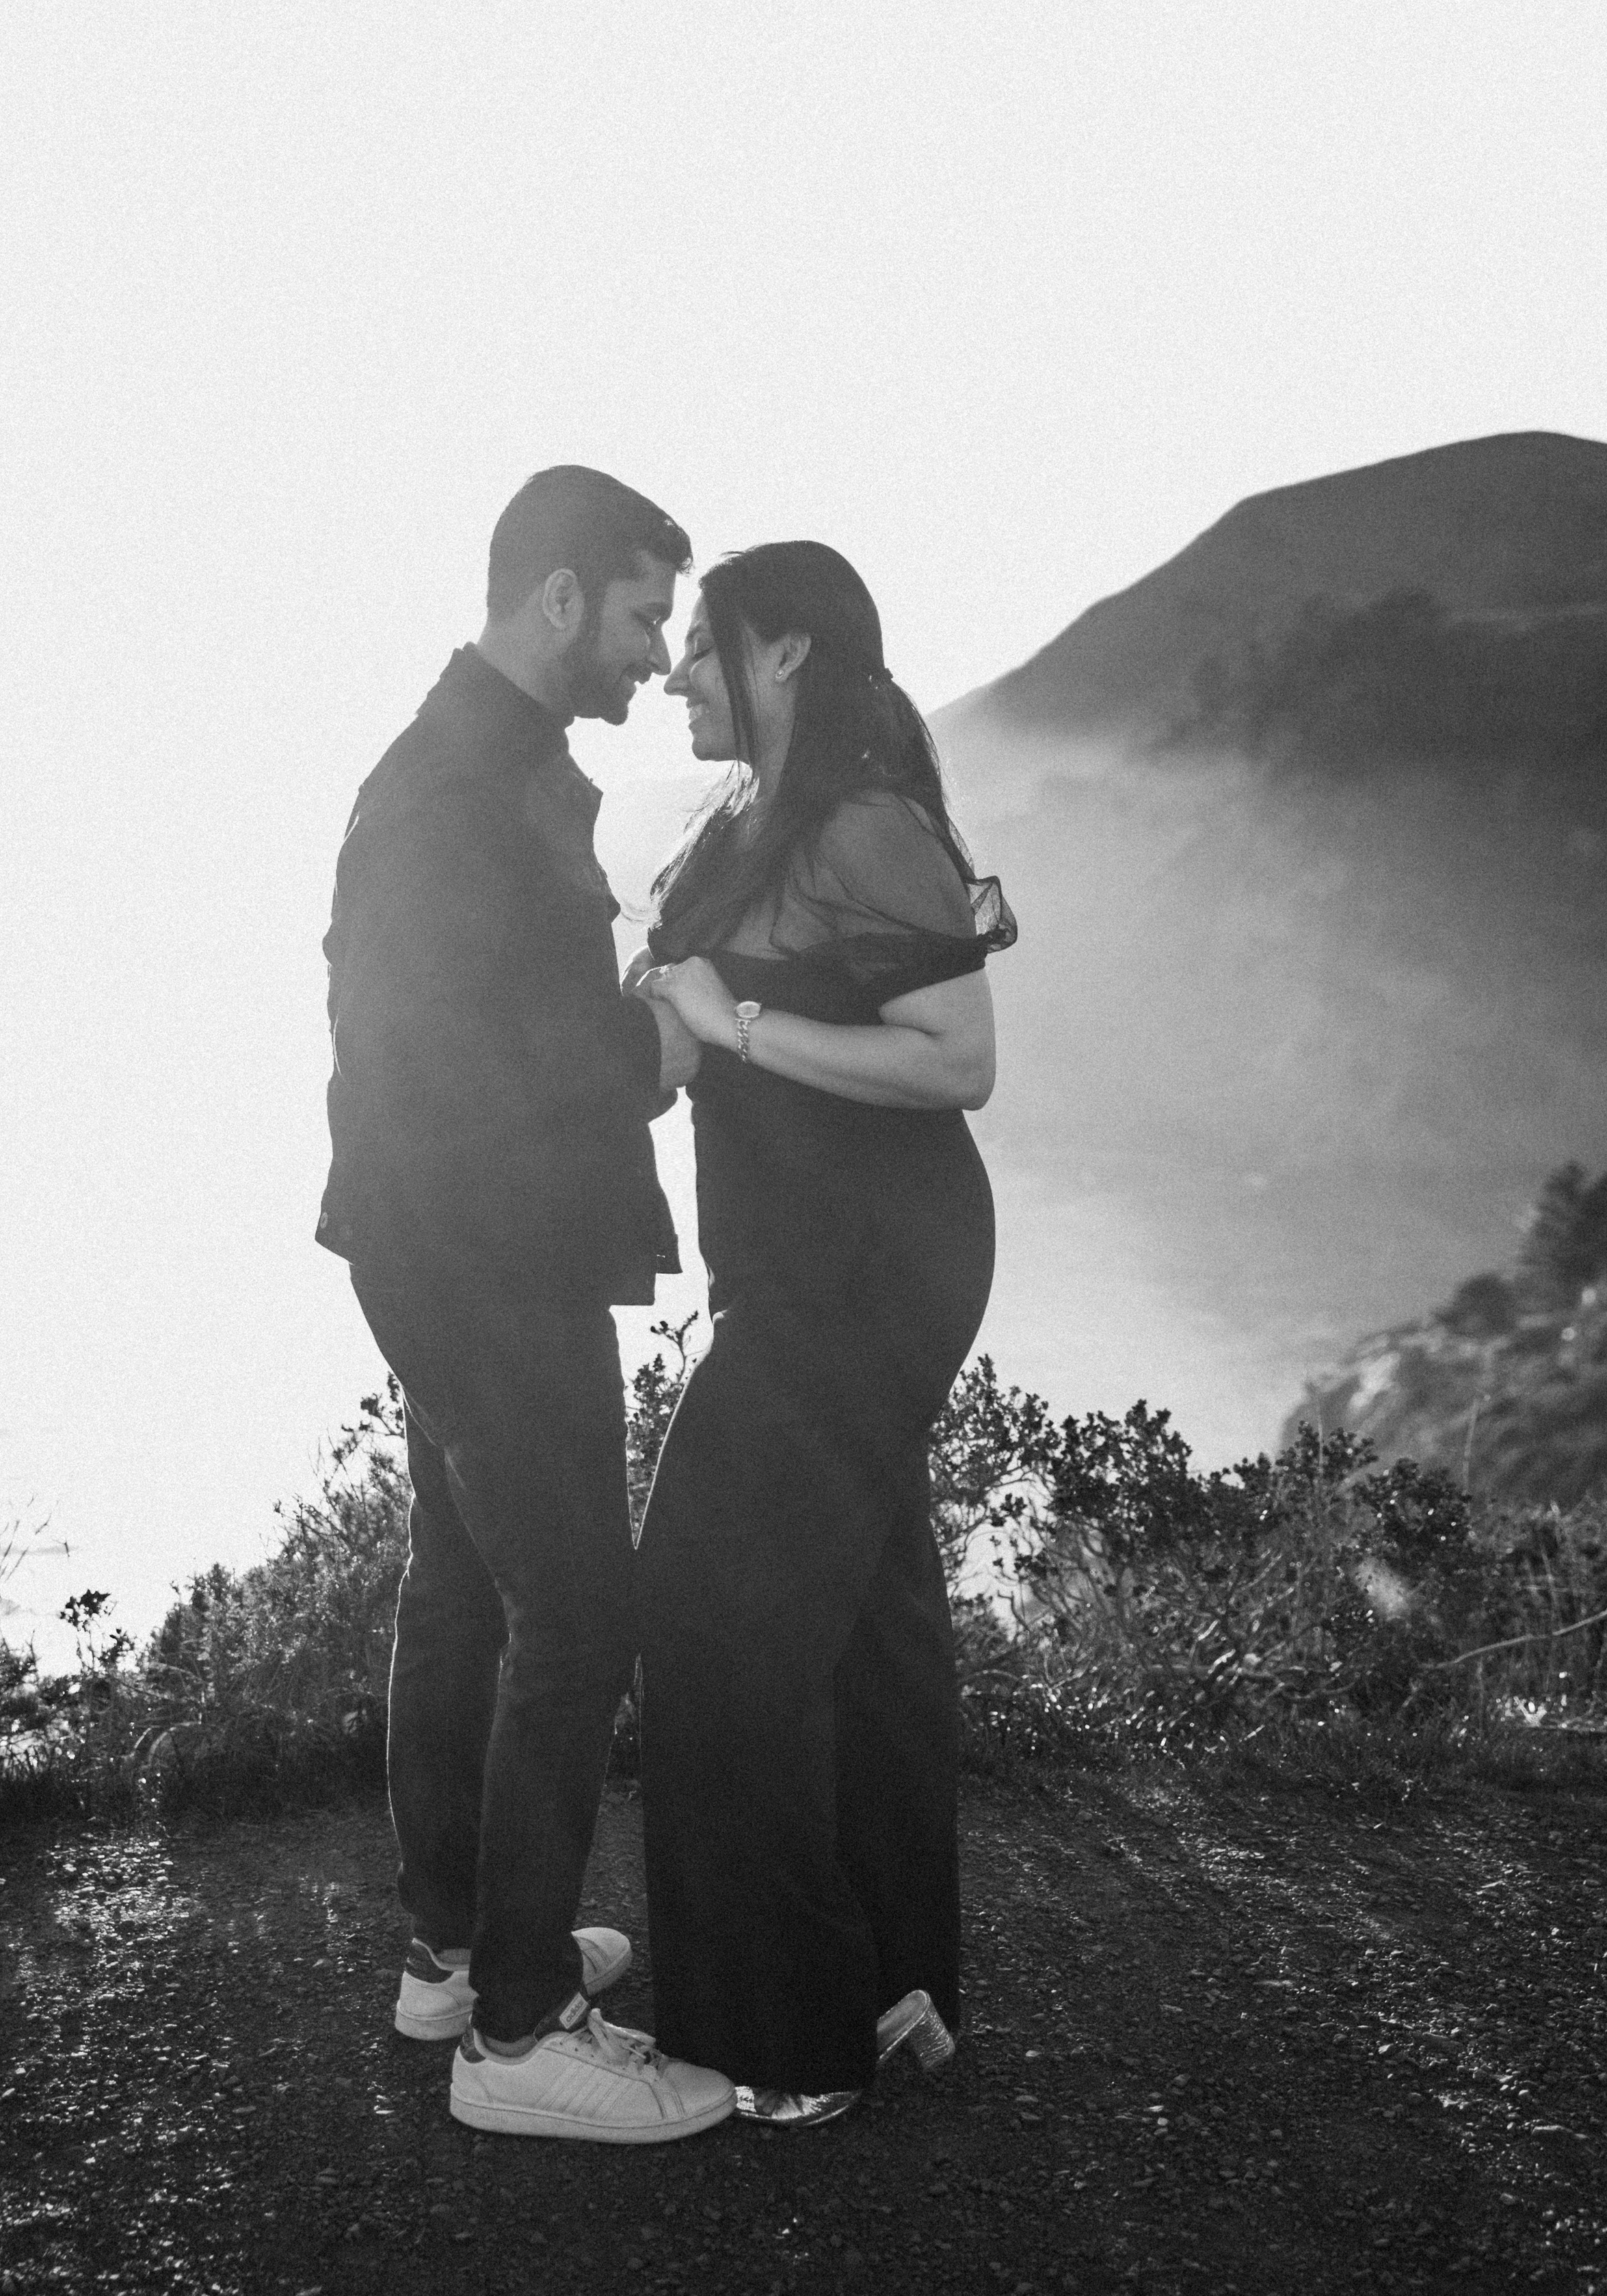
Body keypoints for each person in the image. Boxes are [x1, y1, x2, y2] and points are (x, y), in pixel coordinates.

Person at [317, 465, 734, 2143]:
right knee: (576, 1613)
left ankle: (456, 1946)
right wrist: (658, 1042)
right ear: (557, 597)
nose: (652, 654)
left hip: (447, 1245)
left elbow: (482, 1009)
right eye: (638, 613)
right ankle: (515, 2034)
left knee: (463, 1588)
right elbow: (468, 1054)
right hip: (487, 1257)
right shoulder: (456, 789)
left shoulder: (482, 762)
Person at [631, 538, 1015, 2126]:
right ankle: (890, 1985)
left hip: (870, 1265)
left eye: (702, 646)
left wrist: (734, 1023)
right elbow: (678, 1023)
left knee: (708, 1619)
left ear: (783, 651)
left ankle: (788, 2038)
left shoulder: (866, 821)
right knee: (865, 1629)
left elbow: (957, 1060)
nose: (674, 674)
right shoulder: (741, 821)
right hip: (788, 1265)